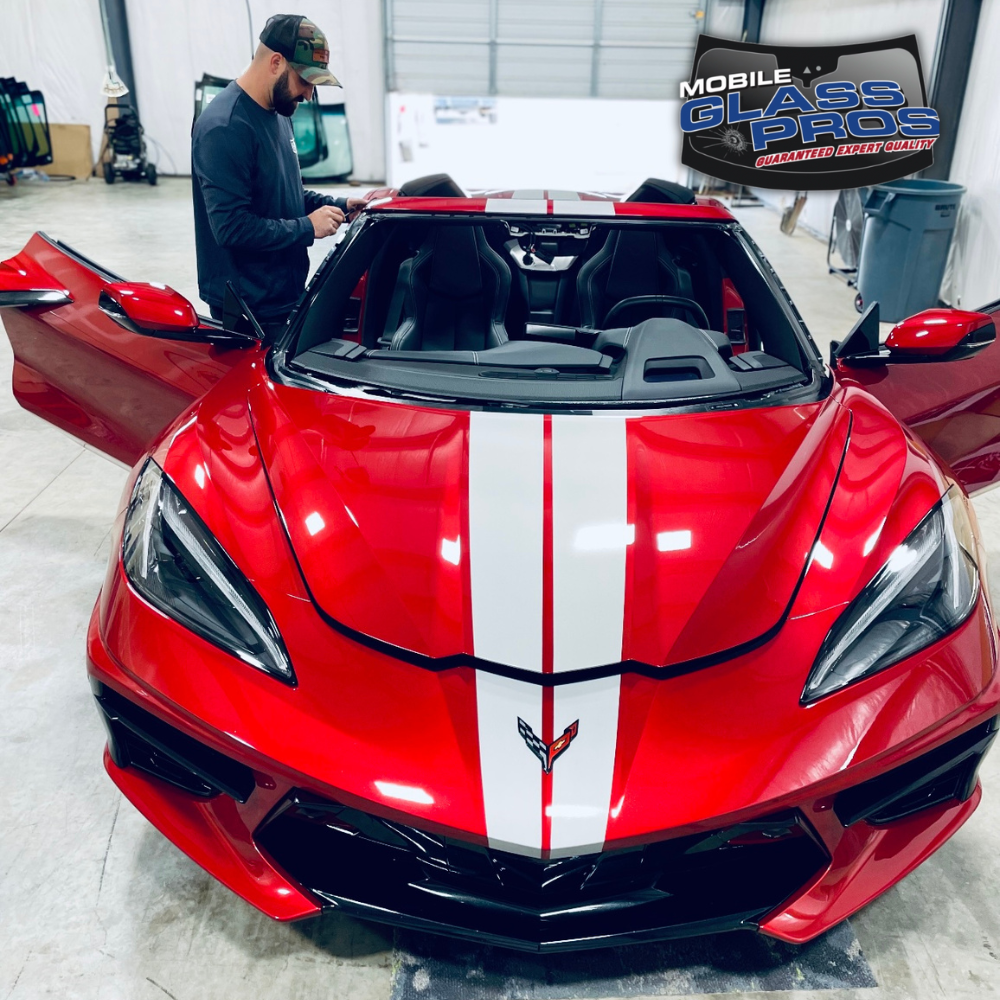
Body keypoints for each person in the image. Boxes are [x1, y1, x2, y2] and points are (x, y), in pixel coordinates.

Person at [191, 14, 367, 337]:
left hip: (282, 297)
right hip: (249, 310)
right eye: (305, 81)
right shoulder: (224, 127)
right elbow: (231, 227)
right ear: (276, 62)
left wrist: (338, 205)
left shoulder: (278, 111)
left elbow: (283, 194)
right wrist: (307, 227)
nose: (309, 95)